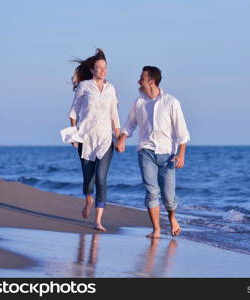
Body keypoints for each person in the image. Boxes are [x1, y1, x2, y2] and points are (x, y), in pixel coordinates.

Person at [116, 66, 190, 238]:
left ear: (151, 81)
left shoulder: (171, 102)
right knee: (151, 191)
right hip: (146, 151)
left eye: (141, 78)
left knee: (169, 198)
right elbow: (130, 123)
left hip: (168, 155)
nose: (138, 81)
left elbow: (182, 131)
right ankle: (156, 229)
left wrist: (181, 153)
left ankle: (172, 217)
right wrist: (122, 138)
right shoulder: (139, 103)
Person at [64, 48, 120, 232]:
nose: (103, 70)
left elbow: (114, 115)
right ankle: (88, 198)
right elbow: (73, 112)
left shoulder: (111, 89)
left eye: (105, 67)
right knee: (89, 180)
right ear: (92, 69)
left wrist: (119, 137)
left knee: (101, 178)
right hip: (86, 138)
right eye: (99, 67)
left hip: (105, 139)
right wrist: (73, 135)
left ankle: (98, 220)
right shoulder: (84, 87)